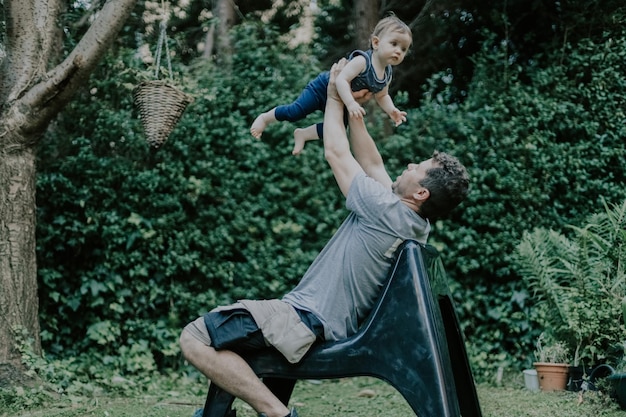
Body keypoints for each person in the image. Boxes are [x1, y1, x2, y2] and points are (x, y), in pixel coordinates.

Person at [180, 59, 470, 417]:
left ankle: (277, 414)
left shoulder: (384, 210)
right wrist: (354, 111)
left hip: (304, 318)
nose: (409, 166)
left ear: (422, 193)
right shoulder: (409, 221)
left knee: (194, 338)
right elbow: (372, 163)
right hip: (320, 322)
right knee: (229, 339)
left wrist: (335, 93)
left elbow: (337, 152)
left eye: (418, 168)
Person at [250, 14, 413, 155]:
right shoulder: (362, 61)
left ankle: (303, 134)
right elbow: (341, 80)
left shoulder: (387, 74)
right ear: (376, 43)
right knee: (295, 112)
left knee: (336, 131)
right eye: (394, 44)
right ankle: (265, 118)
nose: (399, 51)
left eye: (404, 49)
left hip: (341, 101)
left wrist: (392, 111)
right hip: (322, 88)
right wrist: (351, 103)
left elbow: (382, 95)